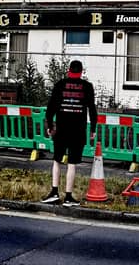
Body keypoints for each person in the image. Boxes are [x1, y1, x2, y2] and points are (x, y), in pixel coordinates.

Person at [41, 59, 97, 206]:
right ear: (81, 72)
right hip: (78, 130)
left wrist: (49, 124)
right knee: (72, 163)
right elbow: (92, 108)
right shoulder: (87, 87)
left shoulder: (60, 85)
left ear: (68, 70)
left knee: (57, 160)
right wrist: (93, 128)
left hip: (61, 128)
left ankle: (54, 192)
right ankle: (68, 197)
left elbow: (51, 106)